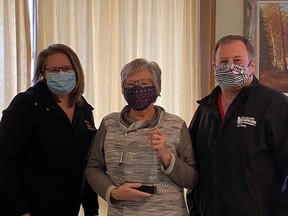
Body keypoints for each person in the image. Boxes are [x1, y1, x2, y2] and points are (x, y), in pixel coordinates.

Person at [186, 34, 288, 215]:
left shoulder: (275, 106)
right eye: (223, 61)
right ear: (214, 67)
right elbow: (193, 167)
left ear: (252, 65)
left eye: (238, 60)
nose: (230, 67)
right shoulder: (205, 110)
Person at [86, 58, 198, 216]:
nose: (137, 88)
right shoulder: (109, 124)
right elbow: (93, 168)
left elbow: (192, 180)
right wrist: (113, 192)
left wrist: (167, 157)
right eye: (130, 84)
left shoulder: (176, 125)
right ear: (123, 89)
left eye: (144, 83)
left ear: (157, 87)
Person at [0, 44, 99, 216]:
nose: (61, 73)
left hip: (69, 205)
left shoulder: (83, 108)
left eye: (67, 68)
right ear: (43, 73)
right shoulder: (25, 105)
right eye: (54, 69)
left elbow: (87, 161)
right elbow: (5, 161)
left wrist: (92, 208)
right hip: (30, 207)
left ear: (76, 71)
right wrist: (20, 209)